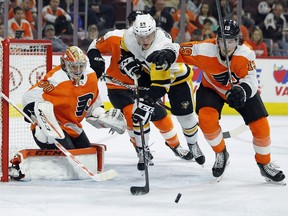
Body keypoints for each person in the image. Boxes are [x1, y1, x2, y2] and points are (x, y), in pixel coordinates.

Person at [174, 19, 285, 183]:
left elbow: (251, 81)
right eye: (222, 40)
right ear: (216, 39)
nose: (226, 45)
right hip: (212, 88)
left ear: (238, 40)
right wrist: (167, 53)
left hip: (239, 91)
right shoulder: (204, 49)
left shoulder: (245, 54)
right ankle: (221, 153)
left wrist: (242, 90)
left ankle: (265, 163)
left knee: (261, 126)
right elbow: (177, 50)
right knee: (206, 120)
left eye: (231, 41)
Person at [87, 11, 195, 171]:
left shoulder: (154, 41)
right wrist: (96, 60)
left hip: (142, 86)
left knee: (162, 116)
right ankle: (141, 150)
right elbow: (94, 45)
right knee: (132, 115)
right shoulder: (116, 37)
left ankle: (176, 146)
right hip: (118, 87)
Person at [119, 13, 205, 168]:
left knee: (186, 118)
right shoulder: (128, 36)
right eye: (141, 36)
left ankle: (193, 144)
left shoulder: (161, 45)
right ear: (134, 32)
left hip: (176, 79)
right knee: (138, 115)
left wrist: (147, 103)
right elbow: (124, 50)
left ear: (154, 32)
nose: (145, 41)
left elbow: (161, 86)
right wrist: (127, 61)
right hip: (149, 74)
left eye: (149, 36)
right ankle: (142, 151)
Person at [22, 46, 126, 151]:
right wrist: (33, 113)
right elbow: (29, 96)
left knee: (87, 154)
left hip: (73, 127)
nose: (78, 71)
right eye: (74, 66)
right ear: (64, 64)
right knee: (68, 156)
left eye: (81, 66)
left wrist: (103, 116)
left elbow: (93, 107)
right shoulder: (56, 79)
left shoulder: (90, 76)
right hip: (52, 127)